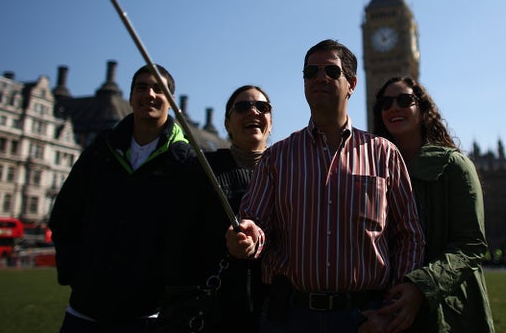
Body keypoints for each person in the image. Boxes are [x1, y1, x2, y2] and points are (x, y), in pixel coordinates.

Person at [225, 39, 425, 333]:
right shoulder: (276, 157)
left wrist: (391, 309)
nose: (320, 78)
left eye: (331, 71)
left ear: (352, 84)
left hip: (365, 317)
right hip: (291, 316)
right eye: (311, 72)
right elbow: (255, 221)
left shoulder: (383, 154)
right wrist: (249, 237)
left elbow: (409, 236)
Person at [49, 64, 197, 333]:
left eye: (158, 89)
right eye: (141, 88)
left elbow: (192, 234)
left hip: (146, 312)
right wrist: (74, 273)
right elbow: (65, 214)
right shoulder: (100, 150)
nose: (149, 94)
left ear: (172, 101)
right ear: (130, 97)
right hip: (85, 307)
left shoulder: (185, 162)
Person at [365, 76, 494, 333]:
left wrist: (421, 287)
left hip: (446, 308)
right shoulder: (372, 170)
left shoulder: (454, 165)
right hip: (388, 310)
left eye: (404, 100)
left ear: (422, 109)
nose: (394, 107)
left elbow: (471, 245)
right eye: (385, 103)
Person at [163, 85, 273, 332]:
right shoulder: (203, 169)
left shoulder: (289, 173)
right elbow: (179, 243)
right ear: (227, 123)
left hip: (275, 311)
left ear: (270, 122)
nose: (253, 111)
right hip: (215, 313)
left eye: (262, 107)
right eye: (243, 107)